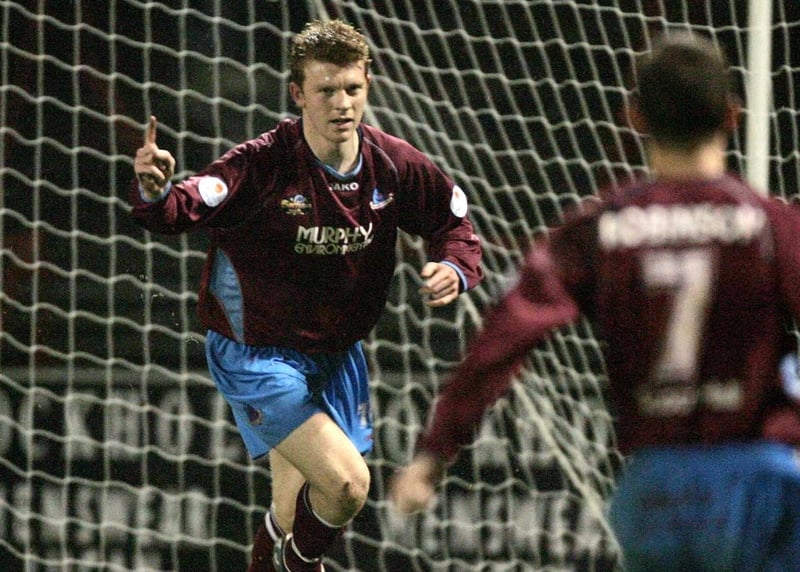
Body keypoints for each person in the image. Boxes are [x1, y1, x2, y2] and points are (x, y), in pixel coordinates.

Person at [390, 32, 800, 572]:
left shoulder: (602, 227)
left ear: (634, 116)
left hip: (656, 489)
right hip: (759, 479)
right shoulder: (771, 227)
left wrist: (433, 452)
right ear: (731, 115)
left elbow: (508, 330)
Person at [130, 19, 483, 572]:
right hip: (258, 354)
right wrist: (156, 190)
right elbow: (186, 206)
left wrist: (454, 267)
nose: (341, 103)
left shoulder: (391, 163)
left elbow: (453, 221)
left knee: (297, 515)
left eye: (352, 89)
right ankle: (301, 566)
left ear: (368, 83)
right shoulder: (264, 162)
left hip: (336, 354)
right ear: (297, 93)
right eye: (325, 90)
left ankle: (275, 548)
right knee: (347, 486)